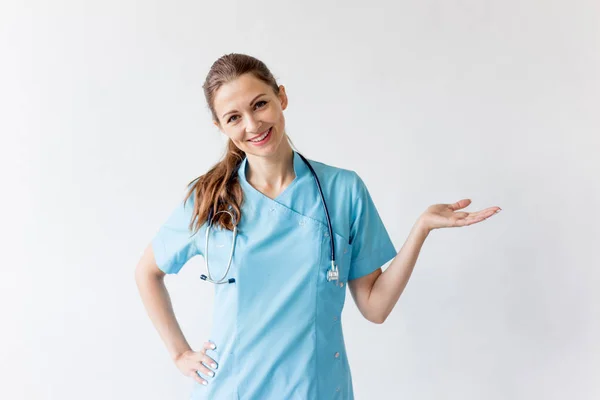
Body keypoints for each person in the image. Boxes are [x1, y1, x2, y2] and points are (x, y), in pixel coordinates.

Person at [134, 53, 501, 400]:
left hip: (316, 387)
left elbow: (375, 307)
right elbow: (147, 272)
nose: (252, 124)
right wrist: (180, 353)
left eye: (260, 104)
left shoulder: (343, 191)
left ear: (282, 97)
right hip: (234, 387)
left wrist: (421, 228)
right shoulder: (211, 198)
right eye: (234, 117)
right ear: (220, 126)